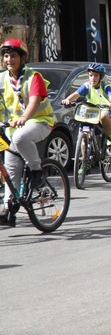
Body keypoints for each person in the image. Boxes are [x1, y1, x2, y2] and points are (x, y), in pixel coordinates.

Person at [1, 39, 54, 226]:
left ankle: (37, 170)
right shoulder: (2, 79)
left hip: (40, 122)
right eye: (6, 56)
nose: (9, 59)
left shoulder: (34, 77)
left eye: (13, 56)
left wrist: (24, 117)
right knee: (10, 168)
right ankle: (9, 208)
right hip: (13, 127)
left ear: (22, 58)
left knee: (20, 137)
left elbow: (34, 101)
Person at [60, 62, 111, 148]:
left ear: (100, 77)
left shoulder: (105, 86)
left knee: (104, 115)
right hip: (91, 111)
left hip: (104, 109)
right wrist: (67, 100)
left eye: (96, 76)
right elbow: (76, 94)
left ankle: (110, 137)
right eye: (91, 75)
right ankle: (85, 159)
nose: (93, 78)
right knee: (84, 133)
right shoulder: (87, 86)